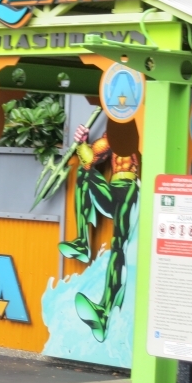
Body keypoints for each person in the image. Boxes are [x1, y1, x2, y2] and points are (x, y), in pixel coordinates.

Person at [58, 123, 139, 342]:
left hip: (131, 190)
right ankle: (82, 242)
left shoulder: (144, 131)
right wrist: (82, 142)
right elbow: (89, 160)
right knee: (85, 175)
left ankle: (104, 310)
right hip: (114, 189)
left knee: (118, 246)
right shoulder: (111, 137)